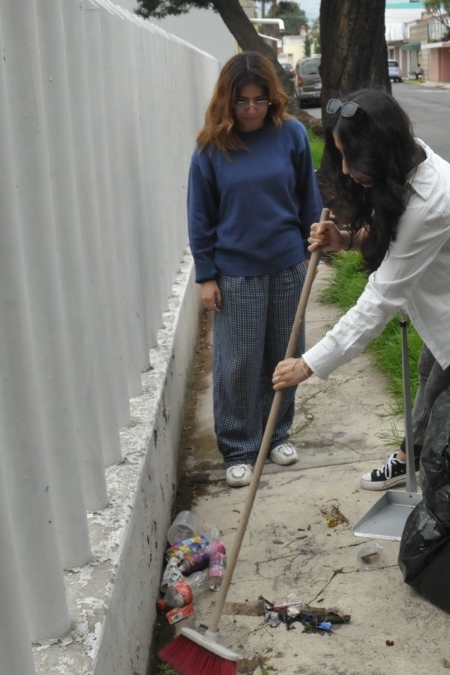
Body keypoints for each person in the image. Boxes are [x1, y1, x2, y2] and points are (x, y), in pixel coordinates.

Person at [270, 89, 450, 491]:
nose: (347, 171)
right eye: (341, 156)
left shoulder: (433, 199)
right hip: (447, 276)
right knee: (428, 372)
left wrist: (310, 363)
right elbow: (395, 232)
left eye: (354, 159)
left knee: (445, 390)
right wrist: (346, 240)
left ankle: (441, 487)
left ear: (382, 151)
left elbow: (380, 300)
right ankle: (416, 458)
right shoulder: (406, 158)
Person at [187, 52, 323, 488]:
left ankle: (276, 433)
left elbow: (308, 197)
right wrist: (207, 275)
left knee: (285, 356)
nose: (250, 109)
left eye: (259, 100)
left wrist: (315, 246)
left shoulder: (293, 135)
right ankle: (239, 446)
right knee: (239, 363)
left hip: (287, 264)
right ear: (227, 100)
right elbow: (199, 216)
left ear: (272, 98)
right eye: (242, 101)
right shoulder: (211, 148)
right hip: (236, 273)